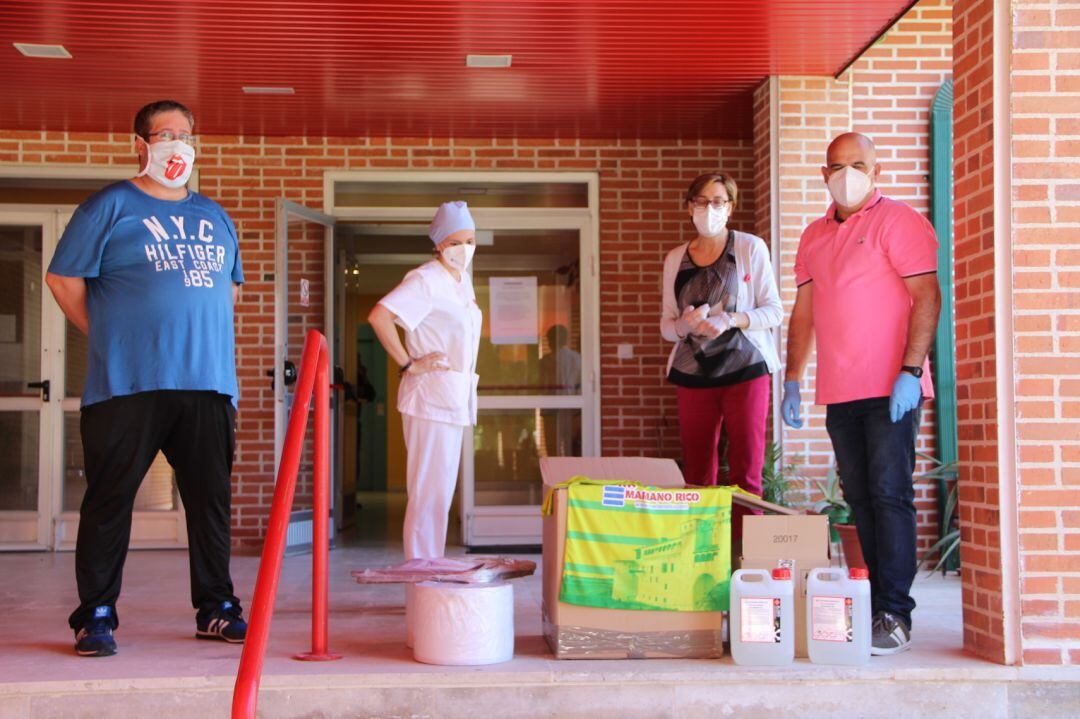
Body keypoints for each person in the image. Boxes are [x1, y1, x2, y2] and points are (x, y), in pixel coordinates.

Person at [46, 100, 247, 657]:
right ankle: (96, 615)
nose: (178, 144)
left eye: (186, 134)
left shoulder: (214, 214)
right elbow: (63, 280)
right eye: (165, 134)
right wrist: (111, 334)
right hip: (127, 384)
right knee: (109, 501)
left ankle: (216, 606)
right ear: (140, 143)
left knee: (210, 501)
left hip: (205, 384)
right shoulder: (110, 206)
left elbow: (229, 292)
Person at [781, 132, 940, 655]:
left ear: (877, 170)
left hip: (892, 386)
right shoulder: (812, 235)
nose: (846, 173)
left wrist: (911, 371)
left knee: (891, 494)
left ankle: (896, 615)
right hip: (841, 390)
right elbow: (804, 313)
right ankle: (875, 606)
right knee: (860, 500)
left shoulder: (900, 221)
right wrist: (793, 377)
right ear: (823, 174)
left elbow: (926, 296)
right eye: (836, 165)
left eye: (857, 164)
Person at [660, 172, 783, 541]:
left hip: (745, 369)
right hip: (693, 372)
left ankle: (746, 558)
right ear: (689, 207)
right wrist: (684, 326)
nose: (708, 209)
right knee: (698, 470)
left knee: (746, 470)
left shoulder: (749, 248)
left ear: (730, 207)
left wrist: (732, 319)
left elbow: (774, 311)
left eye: (718, 202)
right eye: (701, 201)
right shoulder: (675, 259)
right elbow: (666, 325)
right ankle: (703, 556)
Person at [367, 201, 482, 560]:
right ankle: (421, 574)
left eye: (471, 239)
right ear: (439, 244)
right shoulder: (426, 279)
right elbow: (380, 316)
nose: (465, 248)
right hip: (429, 399)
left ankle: (430, 568)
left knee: (440, 494)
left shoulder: (462, 282)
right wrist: (407, 363)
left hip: (452, 398)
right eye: (456, 241)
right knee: (427, 494)